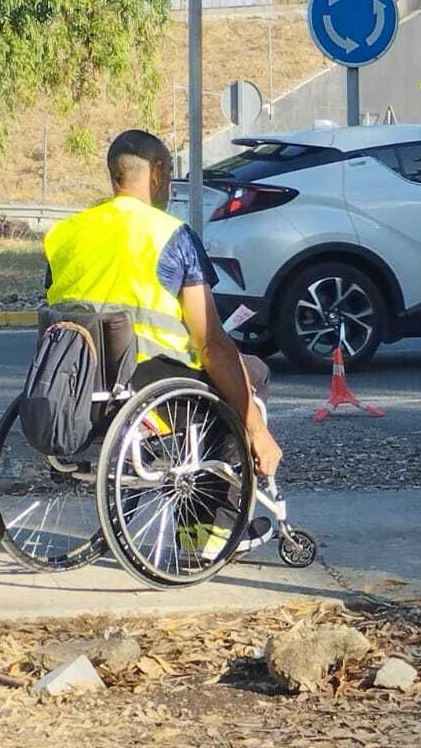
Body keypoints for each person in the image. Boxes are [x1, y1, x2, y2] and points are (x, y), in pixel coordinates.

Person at [43, 129, 283, 550]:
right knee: (251, 376)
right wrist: (258, 431)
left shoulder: (66, 234)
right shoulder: (169, 235)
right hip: (153, 388)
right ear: (155, 174)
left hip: (82, 390)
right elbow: (210, 342)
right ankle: (206, 533)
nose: (169, 183)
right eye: (169, 172)